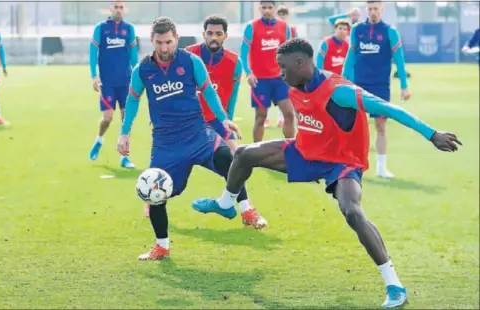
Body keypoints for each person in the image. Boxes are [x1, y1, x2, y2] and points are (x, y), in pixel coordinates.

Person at [193, 38, 462, 308]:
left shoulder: (338, 91)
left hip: (341, 162)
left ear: (301, 63)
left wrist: (432, 134)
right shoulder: (296, 84)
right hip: (306, 151)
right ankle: (227, 204)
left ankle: (394, 285)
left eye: (283, 67)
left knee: (353, 212)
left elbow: (389, 108)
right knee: (243, 154)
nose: (280, 73)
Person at [118, 17, 268, 261]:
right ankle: (162, 246)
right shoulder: (143, 69)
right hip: (166, 143)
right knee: (156, 192)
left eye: (168, 42)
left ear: (177, 39)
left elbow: (208, 91)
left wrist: (223, 119)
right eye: (159, 43)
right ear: (151, 41)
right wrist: (125, 133)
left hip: (198, 133)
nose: (164, 48)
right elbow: (133, 100)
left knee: (228, 158)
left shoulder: (190, 61)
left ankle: (241, 208)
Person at [342, 0, 409, 179]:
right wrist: (341, 80)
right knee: (353, 125)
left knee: (380, 125)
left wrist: (404, 86)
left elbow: (400, 60)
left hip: (380, 86)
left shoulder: (390, 31)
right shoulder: (357, 29)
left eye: (376, 9)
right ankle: (351, 164)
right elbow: (350, 57)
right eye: (370, 8)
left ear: (382, 9)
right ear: (366, 10)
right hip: (358, 84)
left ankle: (381, 167)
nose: (373, 12)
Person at [88, 0, 138, 168]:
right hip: (107, 82)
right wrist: (94, 76)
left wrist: (137, 76)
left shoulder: (129, 29)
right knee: (108, 118)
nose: (118, 10)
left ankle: (124, 157)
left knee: (126, 119)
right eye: (115, 7)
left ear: (125, 9)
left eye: (121, 7)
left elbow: (133, 56)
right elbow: (93, 53)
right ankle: (99, 139)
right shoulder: (101, 28)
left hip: (125, 82)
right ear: (110, 9)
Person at [185, 15, 242, 154]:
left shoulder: (234, 62)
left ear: (226, 35)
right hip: (188, 118)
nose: (214, 38)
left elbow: (233, 96)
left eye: (218, 34)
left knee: (235, 157)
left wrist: (228, 120)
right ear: (204, 34)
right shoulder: (188, 54)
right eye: (210, 33)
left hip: (217, 119)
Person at [241, 1, 296, 142]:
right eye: (264, 8)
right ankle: (256, 151)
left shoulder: (284, 27)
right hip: (260, 81)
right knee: (261, 117)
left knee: (289, 114)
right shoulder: (251, 27)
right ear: (259, 9)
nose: (267, 10)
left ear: (275, 9)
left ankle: (291, 149)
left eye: (270, 7)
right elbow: (243, 54)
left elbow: (289, 52)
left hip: (280, 79)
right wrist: (248, 73)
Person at [266, 5, 298, 128]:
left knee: (284, 95)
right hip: (270, 67)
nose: (282, 16)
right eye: (280, 13)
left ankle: (281, 119)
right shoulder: (272, 27)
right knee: (267, 95)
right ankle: (267, 119)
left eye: (284, 14)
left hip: (285, 67)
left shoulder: (292, 30)